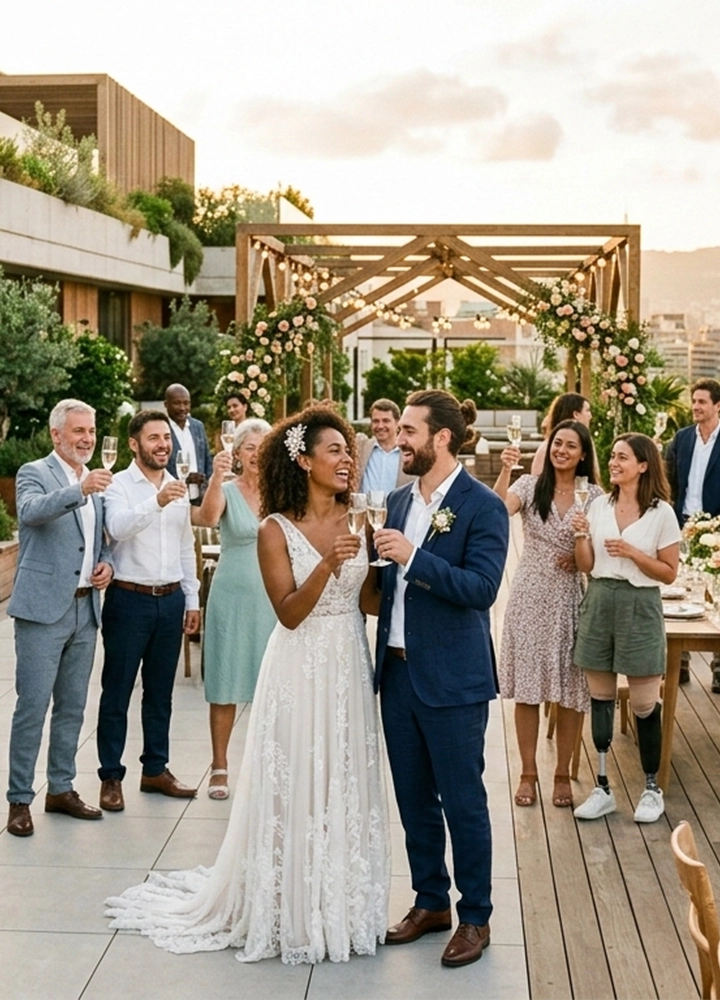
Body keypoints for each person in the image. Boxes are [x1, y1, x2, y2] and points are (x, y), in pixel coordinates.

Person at [104, 404, 390, 964]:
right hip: (299, 662)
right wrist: (328, 565)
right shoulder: (273, 529)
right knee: (297, 778)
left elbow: (368, 603)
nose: (346, 461)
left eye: (348, 452)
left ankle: (341, 903)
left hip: (348, 663)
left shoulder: (363, 519)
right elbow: (287, 612)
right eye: (334, 451)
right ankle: (288, 904)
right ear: (303, 461)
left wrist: (380, 567)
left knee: (341, 774)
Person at [373, 389, 509, 968]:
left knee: (463, 801)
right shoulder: (399, 500)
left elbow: (481, 590)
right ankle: (431, 901)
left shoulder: (483, 506)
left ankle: (475, 915)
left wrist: (413, 558)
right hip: (398, 674)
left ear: (442, 438)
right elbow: (385, 587)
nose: (398, 440)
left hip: (453, 680)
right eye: (399, 430)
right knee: (413, 799)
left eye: (408, 431)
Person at [6, 399, 113, 837]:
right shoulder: (35, 472)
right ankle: (18, 800)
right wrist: (79, 491)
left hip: (86, 608)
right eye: (78, 432)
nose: (86, 439)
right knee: (32, 707)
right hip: (42, 609)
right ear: (56, 435)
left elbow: (96, 539)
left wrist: (106, 561)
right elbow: (31, 512)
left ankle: (61, 788)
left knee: (72, 707)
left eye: (91, 431)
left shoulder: (94, 480)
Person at [571, 433, 680, 824]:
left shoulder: (661, 513)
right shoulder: (599, 504)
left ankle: (651, 789)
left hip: (640, 606)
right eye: (613, 456)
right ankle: (602, 787)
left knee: (644, 704)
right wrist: (581, 534)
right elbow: (585, 565)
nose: (614, 463)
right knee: (600, 698)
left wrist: (633, 552)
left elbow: (669, 573)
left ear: (643, 465)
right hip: (599, 600)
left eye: (622, 457)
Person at [494, 420, 603, 810]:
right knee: (528, 690)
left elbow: (598, 559)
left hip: (571, 601)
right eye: (557, 443)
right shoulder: (528, 485)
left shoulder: (593, 496)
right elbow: (495, 512)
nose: (562, 450)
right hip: (529, 597)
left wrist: (579, 548)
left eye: (571, 446)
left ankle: (562, 774)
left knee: (571, 693)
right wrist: (507, 469)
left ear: (583, 454)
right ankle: (527, 773)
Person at [96, 410, 200, 813]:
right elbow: (118, 528)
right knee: (117, 691)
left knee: (160, 694)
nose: (163, 445)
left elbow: (184, 546)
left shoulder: (177, 486)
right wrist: (156, 502)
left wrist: (191, 600)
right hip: (128, 600)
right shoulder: (118, 485)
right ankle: (110, 776)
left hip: (170, 599)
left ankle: (156, 769)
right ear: (134, 444)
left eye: (166, 439)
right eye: (154, 438)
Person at [191, 418, 275, 800]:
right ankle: (220, 767)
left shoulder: (283, 491)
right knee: (224, 683)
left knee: (273, 685)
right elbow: (207, 519)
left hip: (275, 596)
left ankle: (268, 766)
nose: (256, 454)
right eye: (249, 448)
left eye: (263, 446)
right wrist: (214, 476)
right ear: (237, 453)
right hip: (232, 596)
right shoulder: (226, 488)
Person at [664, 378, 720, 689]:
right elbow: (669, 479)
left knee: (719, 595)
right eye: (694, 401)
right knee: (679, 592)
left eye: (702, 402)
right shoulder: (682, 439)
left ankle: (719, 667)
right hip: (682, 523)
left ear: (717, 406)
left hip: (717, 526)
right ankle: (679, 662)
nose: (696, 407)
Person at [164, 383, 213, 504]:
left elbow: (207, 460)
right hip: (173, 500)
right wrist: (184, 480)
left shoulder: (198, 426)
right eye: (177, 403)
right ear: (166, 404)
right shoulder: (162, 429)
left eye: (186, 403)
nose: (182, 408)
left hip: (200, 497)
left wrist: (206, 484)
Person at [357, 398, 414, 493]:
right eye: (376, 421)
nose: (380, 426)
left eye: (386, 421)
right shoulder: (361, 447)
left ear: (397, 423)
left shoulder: (410, 452)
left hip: (398, 507)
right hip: (365, 507)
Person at [531, 392, 592, 475]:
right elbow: (536, 482)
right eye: (587, 410)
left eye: (571, 446)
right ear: (576, 414)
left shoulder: (584, 443)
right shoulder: (547, 448)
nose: (590, 416)